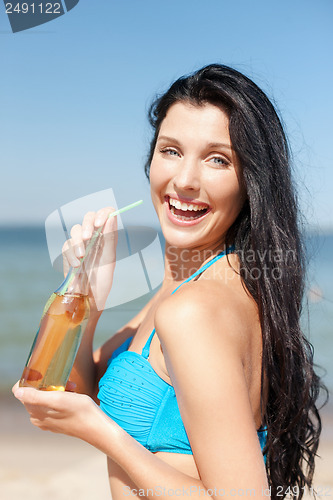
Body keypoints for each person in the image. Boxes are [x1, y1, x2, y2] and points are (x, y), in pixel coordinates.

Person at [13, 64, 327, 499]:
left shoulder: (194, 309)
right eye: (171, 150)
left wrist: (99, 432)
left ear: (250, 181)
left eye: (218, 159)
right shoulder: (184, 287)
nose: (184, 180)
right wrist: (87, 294)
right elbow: (77, 386)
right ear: (150, 160)